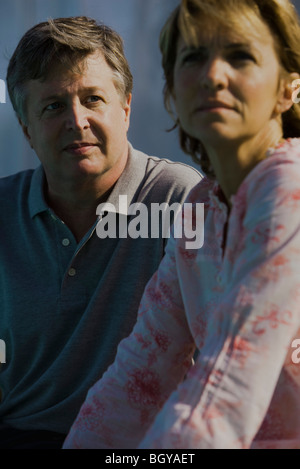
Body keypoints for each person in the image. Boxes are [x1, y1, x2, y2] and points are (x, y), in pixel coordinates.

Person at [63, 0, 300, 450]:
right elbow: (143, 369)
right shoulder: (200, 205)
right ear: (172, 90)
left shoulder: (290, 184)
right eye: (193, 57)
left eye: (240, 55)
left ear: (289, 89)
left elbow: (232, 372)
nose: (213, 75)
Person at [0, 16, 202, 449]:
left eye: (93, 99)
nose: (77, 120)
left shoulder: (181, 199)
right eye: (53, 106)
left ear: (126, 108)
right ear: (26, 129)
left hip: (145, 445)